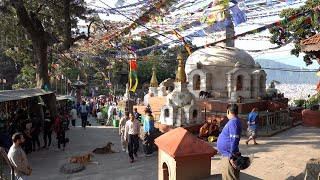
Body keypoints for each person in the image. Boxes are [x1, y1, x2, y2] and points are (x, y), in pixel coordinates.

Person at [217, 104, 242, 180]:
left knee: (229, 177)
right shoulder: (234, 121)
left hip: (229, 156)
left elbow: (234, 140)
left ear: (228, 111)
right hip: (228, 154)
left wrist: (232, 156)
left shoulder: (233, 122)